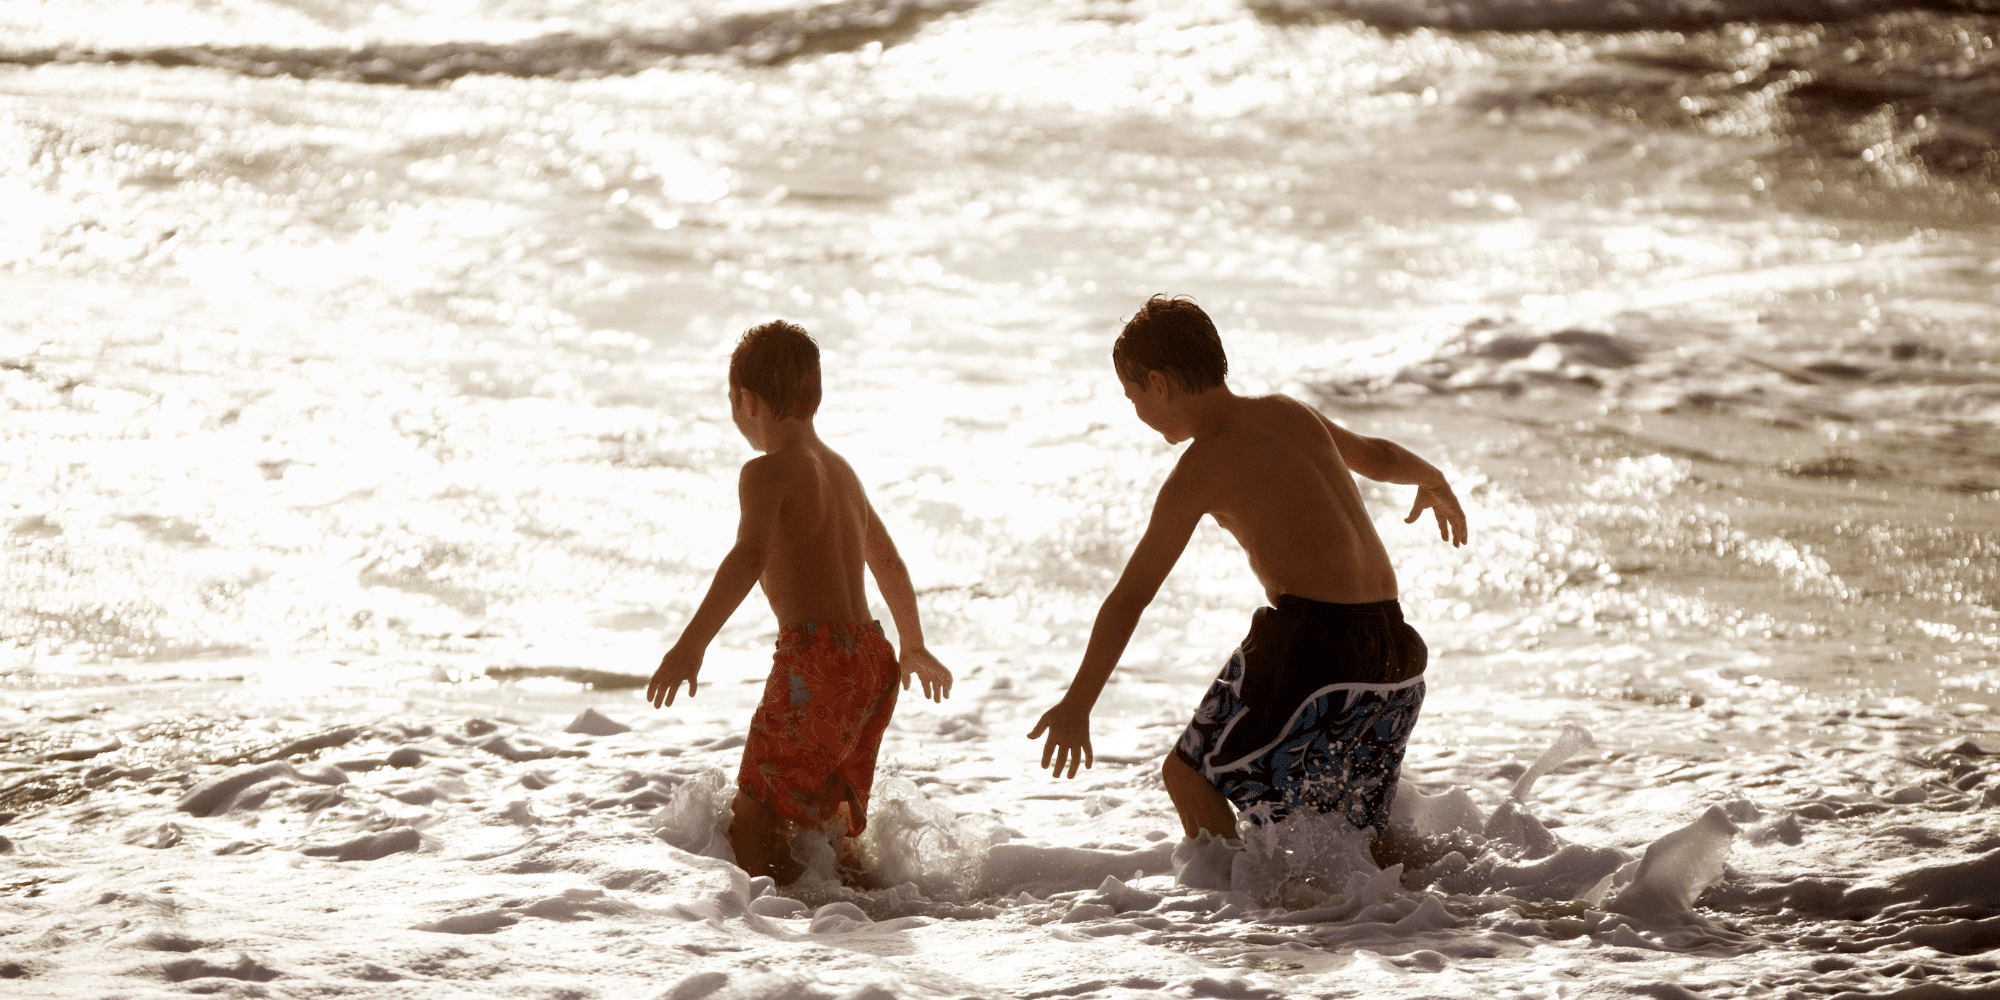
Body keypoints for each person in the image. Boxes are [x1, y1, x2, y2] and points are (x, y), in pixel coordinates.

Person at [1027, 295, 1467, 856]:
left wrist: (1077, 704)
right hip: (1395, 655)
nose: (1135, 408)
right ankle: (1469, 916)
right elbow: (1377, 456)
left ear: (1159, 383)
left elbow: (1131, 597)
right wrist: (1432, 479)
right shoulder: (1290, 412)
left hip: (1316, 648)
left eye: (1131, 393)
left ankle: (1229, 927)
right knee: (1354, 847)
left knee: (1188, 776)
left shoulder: (1200, 468)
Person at [648, 320, 952, 884]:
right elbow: (888, 563)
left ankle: (788, 930)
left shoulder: (765, 473)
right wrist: (913, 645)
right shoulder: (842, 472)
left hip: (815, 661)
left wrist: (691, 645)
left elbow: (747, 557)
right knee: (827, 819)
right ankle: (859, 906)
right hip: (870, 662)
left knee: (755, 818)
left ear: (746, 401)